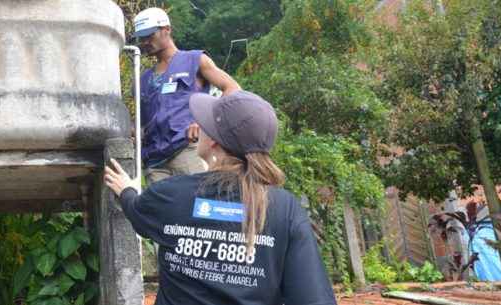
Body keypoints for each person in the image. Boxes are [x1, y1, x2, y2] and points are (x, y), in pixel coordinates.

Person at [104, 91, 337, 305]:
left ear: (214, 141)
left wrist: (126, 190)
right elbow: (313, 298)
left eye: (204, 124)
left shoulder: (170, 194)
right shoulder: (285, 209)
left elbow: (136, 210)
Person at [132, 7, 242, 184]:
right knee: (163, 211)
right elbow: (141, 122)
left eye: (149, 35)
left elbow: (232, 88)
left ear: (166, 29)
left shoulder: (195, 60)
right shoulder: (142, 80)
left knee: (198, 205)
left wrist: (204, 121)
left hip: (188, 150)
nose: (145, 42)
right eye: (141, 37)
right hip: (154, 161)